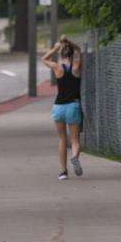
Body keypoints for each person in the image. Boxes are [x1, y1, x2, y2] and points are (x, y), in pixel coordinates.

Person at [41, 36, 84, 180]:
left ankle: (63, 172)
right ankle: (75, 157)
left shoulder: (57, 67)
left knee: (62, 140)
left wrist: (56, 46)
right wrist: (68, 41)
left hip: (58, 107)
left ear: (61, 55)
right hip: (73, 105)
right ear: (72, 55)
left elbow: (43, 59)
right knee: (75, 139)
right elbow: (78, 49)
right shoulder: (76, 67)